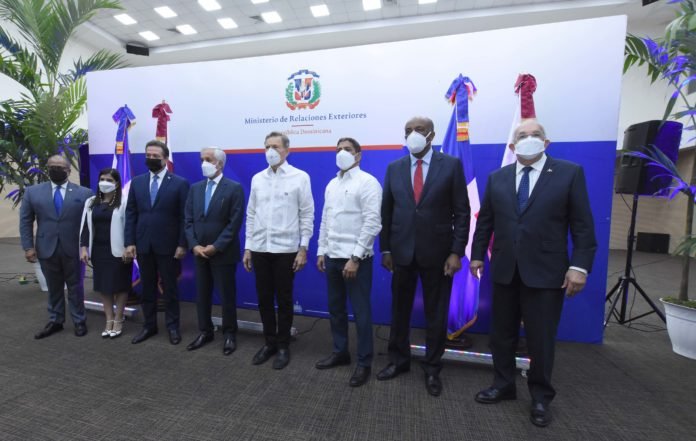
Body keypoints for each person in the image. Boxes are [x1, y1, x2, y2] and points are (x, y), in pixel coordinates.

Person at [470, 120, 597, 427]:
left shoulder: (569, 173)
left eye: (535, 135)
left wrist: (579, 267)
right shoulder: (498, 177)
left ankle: (540, 397)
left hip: (547, 272)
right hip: (505, 270)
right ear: (512, 146)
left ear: (546, 142)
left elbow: (582, 226)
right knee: (501, 335)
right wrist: (476, 256)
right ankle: (503, 384)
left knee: (540, 339)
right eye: (522, 135)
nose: (529, 139)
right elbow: (485, 222)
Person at [378, 116, 470, 397]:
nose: (413, 134)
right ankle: (398, 361)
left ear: (431, 135)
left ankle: (432, 368)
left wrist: (456, 252)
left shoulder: (451, 165)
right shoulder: (394, 168)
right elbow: (387, 212)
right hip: (401, 252)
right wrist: (386, 249)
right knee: (399, 311)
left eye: (419, 130)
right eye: (408, 130)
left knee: (436, 314)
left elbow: (462, 212)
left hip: (439, 254)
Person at [243, 131, 314, 370]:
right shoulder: (257, 178)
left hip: (286, 249)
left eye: (275, 146)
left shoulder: (300, 177)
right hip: (260, 247)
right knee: (264, 299)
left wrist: (303, 248)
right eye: (267, 147)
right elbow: (251, 214)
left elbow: (307, 214)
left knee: (284, 299)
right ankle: (269, 343)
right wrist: (248, 247)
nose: (270, 151)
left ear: (287, 150)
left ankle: (283, 345)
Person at [315, 137, 382, 387]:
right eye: (338, 149)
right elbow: (325, 220)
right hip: (332, 256)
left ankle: (364, 362)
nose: (342, 153)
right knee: (336, 309)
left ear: (358, 155)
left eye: (347, 149)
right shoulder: (332, 184)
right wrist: (321, 251)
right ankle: (340, 352)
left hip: (356, 260)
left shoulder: (368, 182)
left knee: (361, 313)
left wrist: (355, 258)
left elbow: (372, 223)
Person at [19, 154, 94, 338]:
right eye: (52, 166)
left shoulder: (84, 193)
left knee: (76, 287)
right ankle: (56, 321)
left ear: (68, 170)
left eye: (60, 167)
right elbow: (25, 221)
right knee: (53, 287)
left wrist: (85, 247)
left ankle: (79, 321)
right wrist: (28, 247)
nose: (55, 170)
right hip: (46, 247)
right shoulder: (32, 192)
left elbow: (88, 224)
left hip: (74, 249)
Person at [124, 140, 190, 345]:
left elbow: (185, 217)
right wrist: (129, 242)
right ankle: (149, 326)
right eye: (148, 155)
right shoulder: (137, 183)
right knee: (147, 288)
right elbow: (131, 213)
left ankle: (173, 327)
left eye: (155, 156)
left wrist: (182, 244)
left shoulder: (179, 183)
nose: (151, 159)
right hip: (143, 245)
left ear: (165, 158)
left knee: (170, 289)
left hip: (169, 246)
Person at [184, 147, 245, 355]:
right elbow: (188, 220)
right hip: (199, 253)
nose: (204, 163)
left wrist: (216, 246)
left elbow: (234, 223)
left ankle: (229, 334)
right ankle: (205, 331)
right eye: (202, 159)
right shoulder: (195, 188)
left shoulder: (234, 188)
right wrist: (194, 245)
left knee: (227, 296)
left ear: (219, 163)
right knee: (202, 295)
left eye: (208, 159)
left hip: (223, 253)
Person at [79, 168, 133, 339]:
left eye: (109, 180)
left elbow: (130, 226)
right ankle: (109, 319)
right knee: (104, 287)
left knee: (120, 286)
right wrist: (83, 248)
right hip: (99, 250)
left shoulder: (124, 201)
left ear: (117, 183)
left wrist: (129, 247)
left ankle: (119, 318)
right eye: (102, 179)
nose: (105, 182)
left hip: (119, 251)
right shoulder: (90, 202)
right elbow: (85, 227)